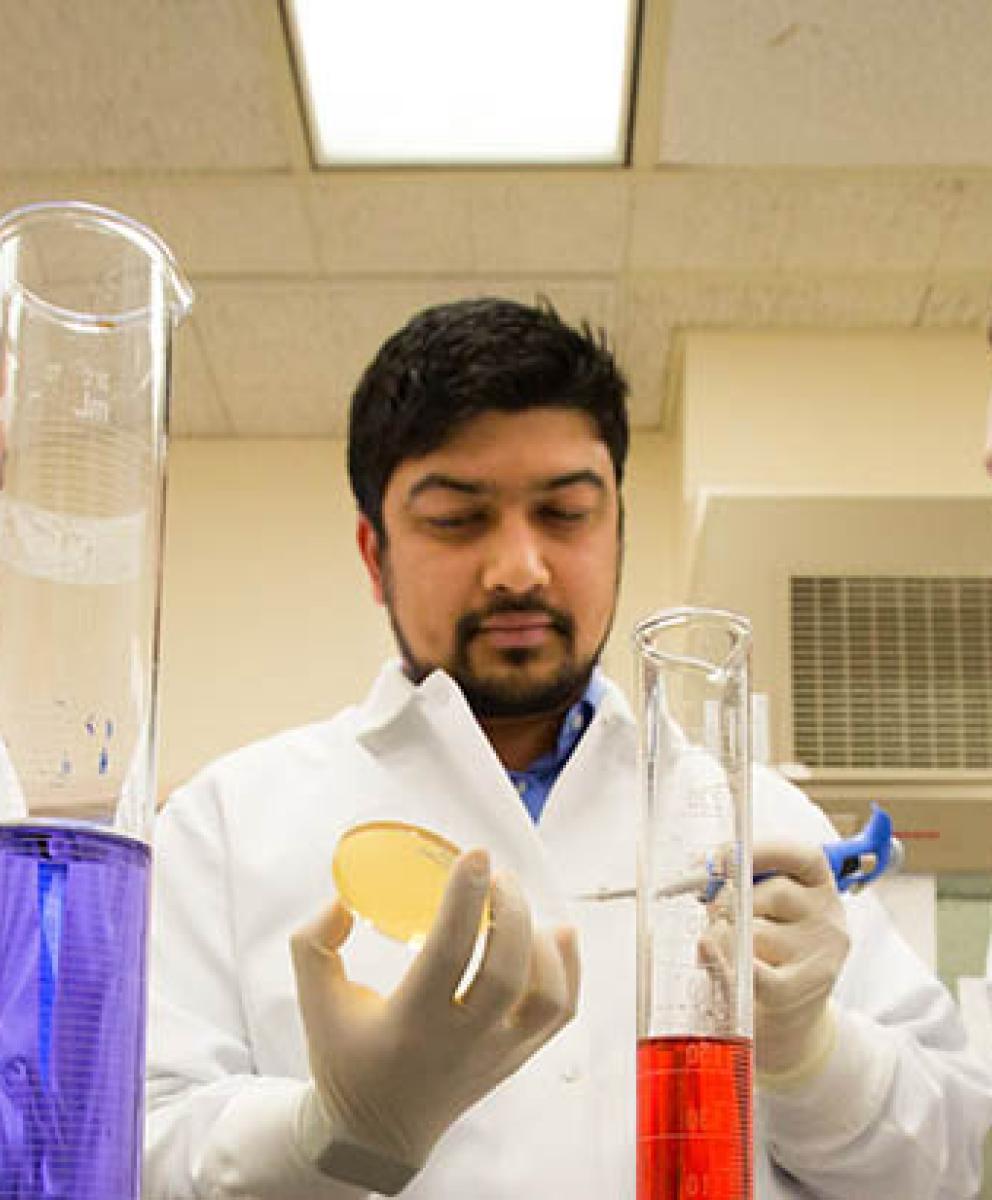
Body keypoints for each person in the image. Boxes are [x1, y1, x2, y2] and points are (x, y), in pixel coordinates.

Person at [144, 298, 992, 1199]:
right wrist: (333, 1131)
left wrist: (811, 1055)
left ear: (617, 525)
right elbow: (129, 1157)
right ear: (373, 552)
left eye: (564, 512)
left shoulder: (766, 822)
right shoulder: (226, 826)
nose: (519, 567)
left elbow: (942, 1163)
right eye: (457, 518)